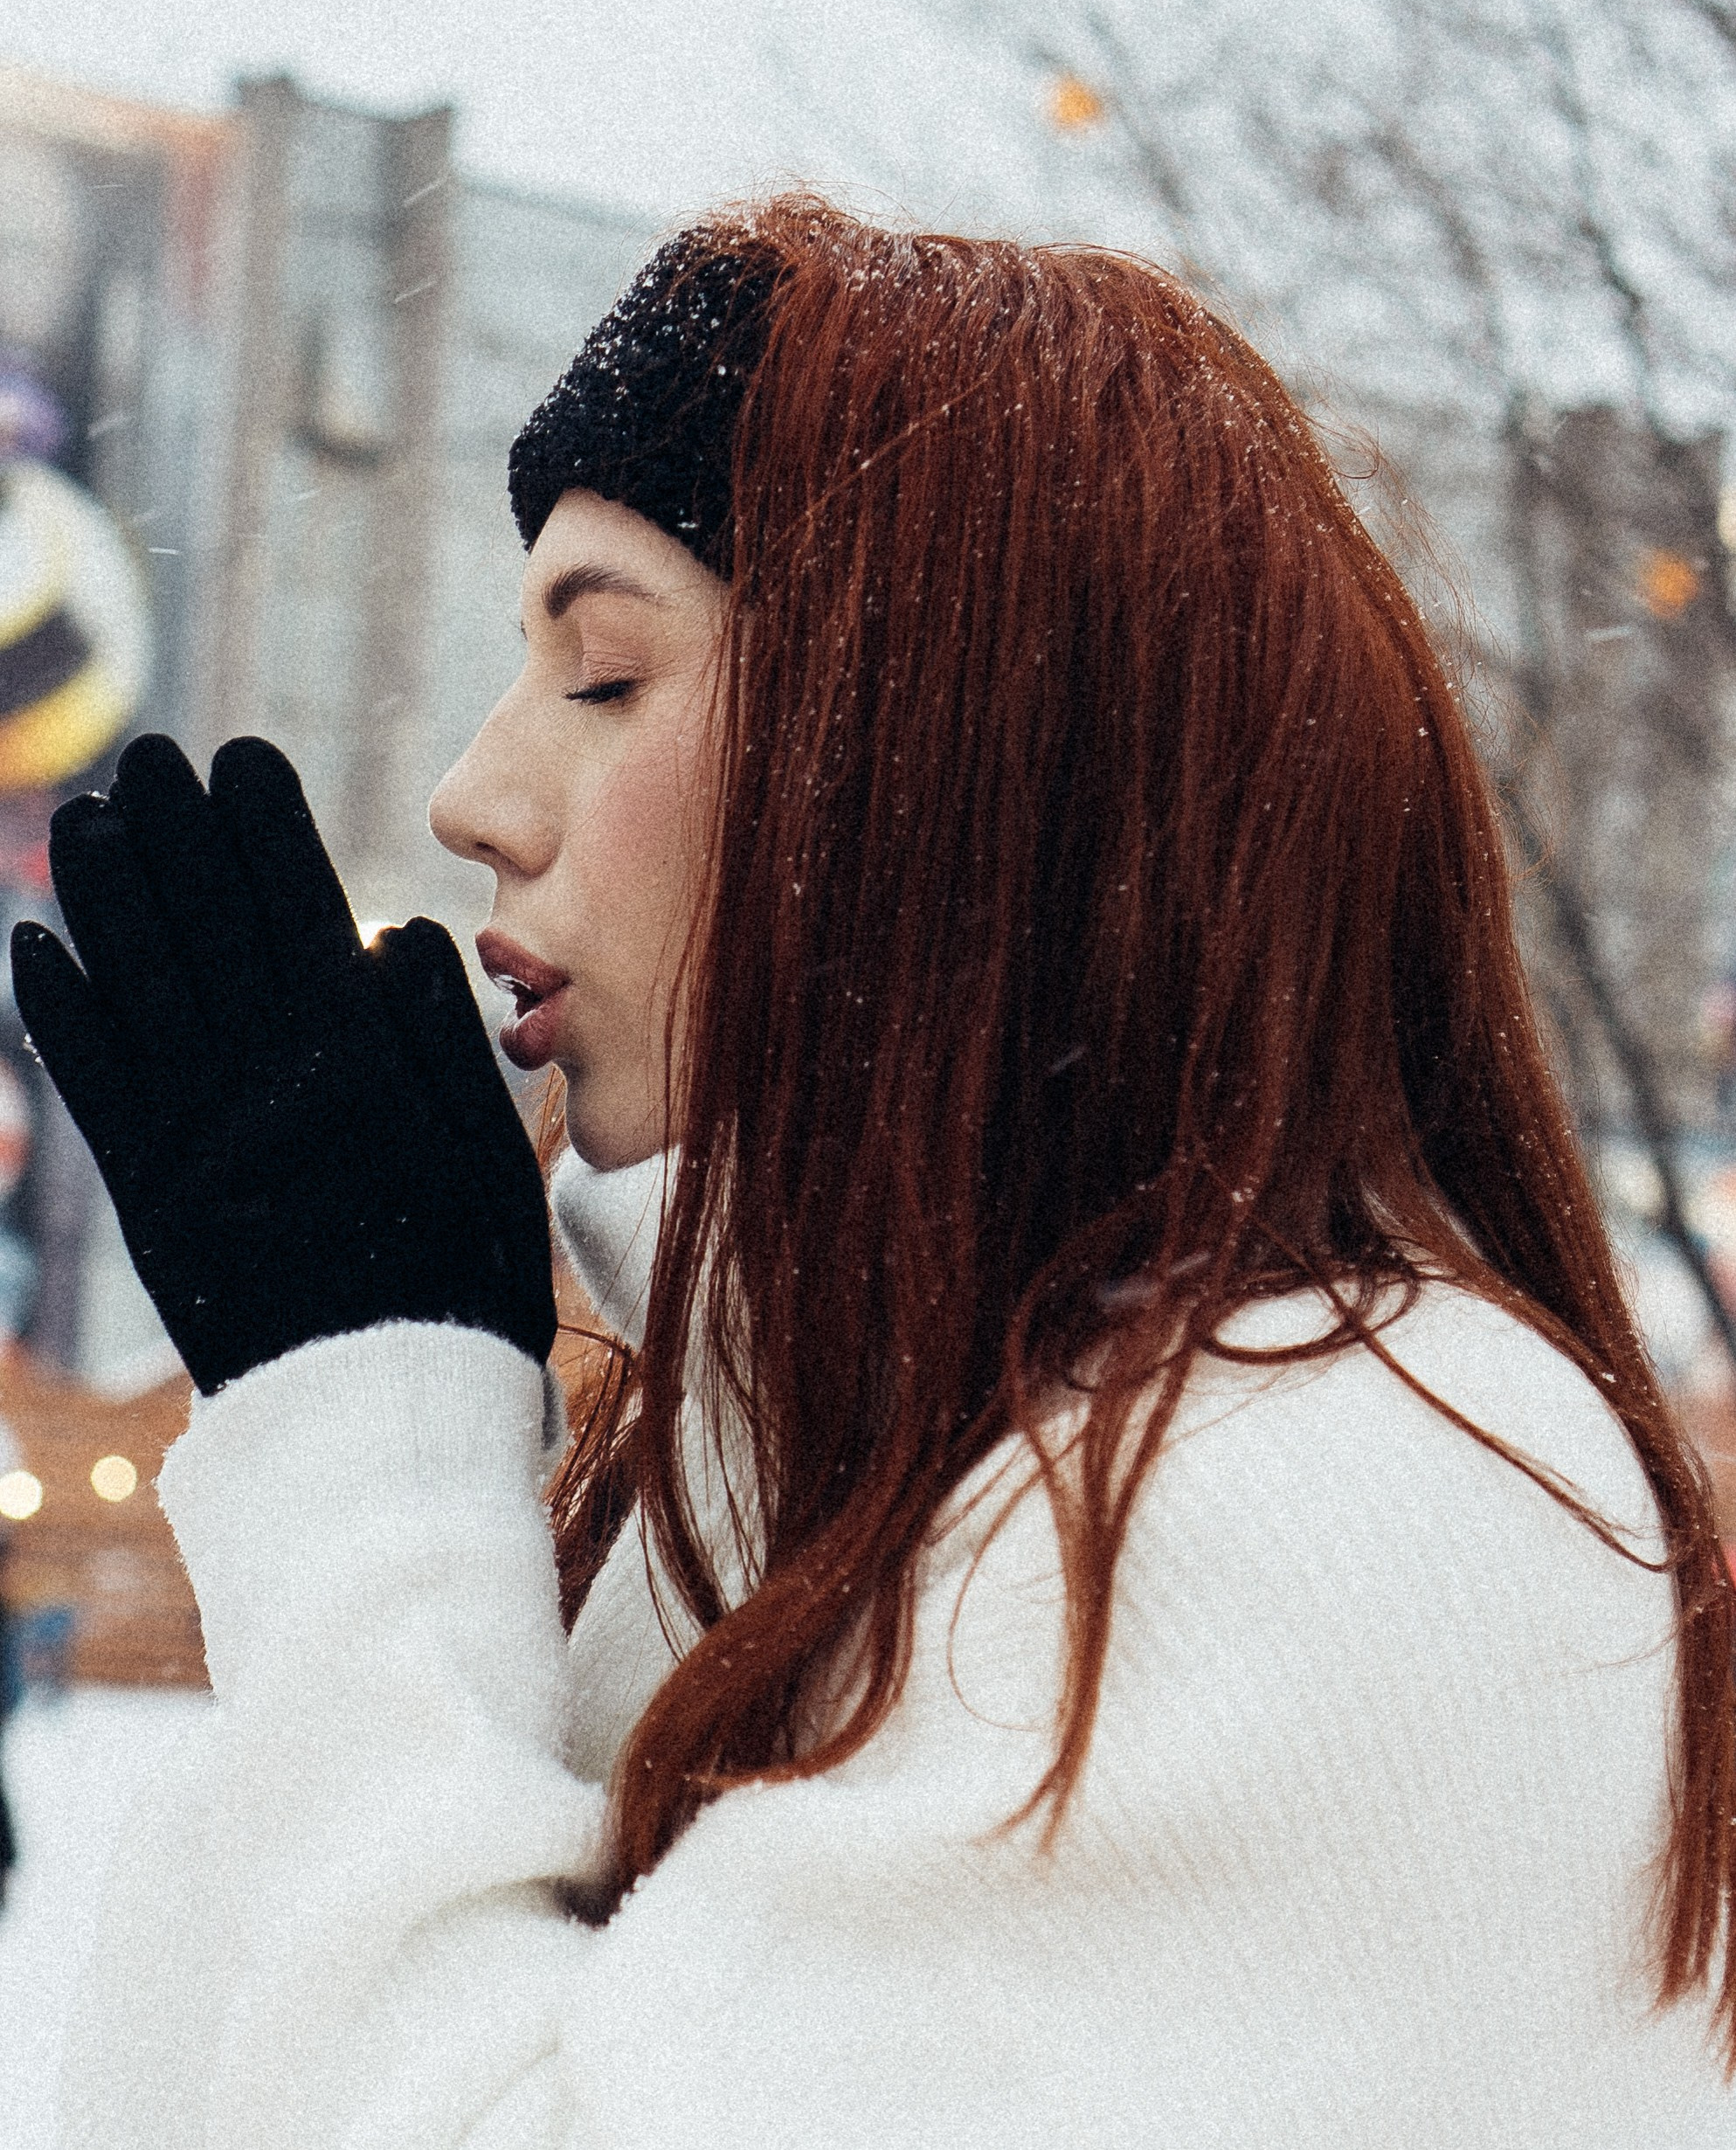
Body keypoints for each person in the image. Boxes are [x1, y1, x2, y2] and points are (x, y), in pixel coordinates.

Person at [10, 197, 1735, 2147]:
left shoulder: (1326, 1490)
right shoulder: (785, 1491)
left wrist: (366, 1443)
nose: (474, 795)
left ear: (942, 766)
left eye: (603, 676)